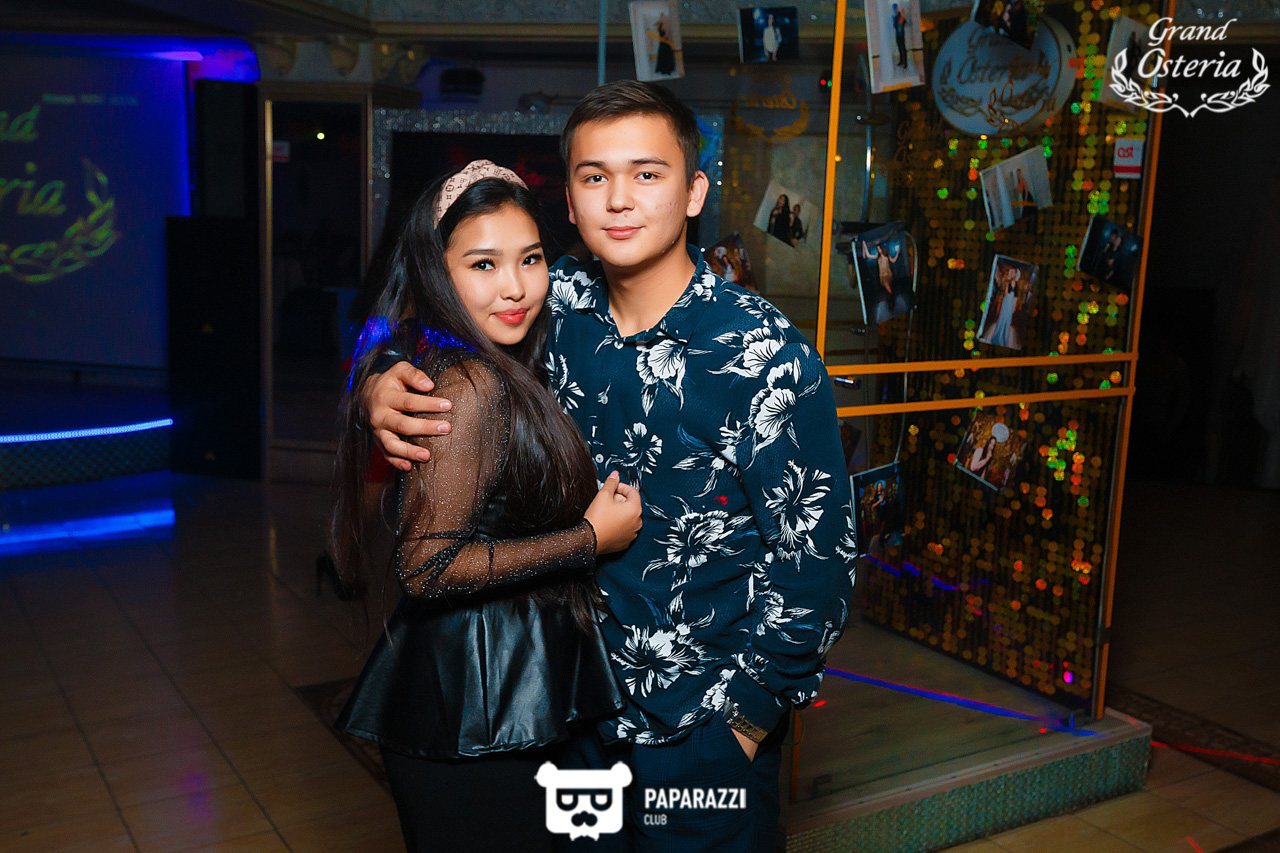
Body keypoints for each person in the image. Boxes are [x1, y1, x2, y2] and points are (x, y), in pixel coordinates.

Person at [361, 81, 857, 852]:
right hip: (569, 718)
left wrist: (744, 722)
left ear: (694, 193)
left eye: (647, 173)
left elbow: (819, 564)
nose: (619, 199)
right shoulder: (550, 300)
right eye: (595, 176)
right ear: (570, 198)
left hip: (698, 730)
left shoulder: (764, 357)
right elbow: (426, 307)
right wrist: (378, 381)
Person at [329, 160, 643, 852]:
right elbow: (426, 566)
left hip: (490, 690)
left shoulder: (497, 352)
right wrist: (590, 538)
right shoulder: (472, 383)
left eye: (530, 258)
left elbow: (388, 335)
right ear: (437, 273)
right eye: (483, 264)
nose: (515, 287)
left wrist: (373, 375)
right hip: (474, 708)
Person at [983, 270, 1020, 349]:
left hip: (1012, 302)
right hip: (1007, 301)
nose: (1013, 274)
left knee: (1008, 319)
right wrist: (1007, 285)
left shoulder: (1017, 284)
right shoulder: (1007, 282)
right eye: (1012, 272)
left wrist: (1014, 306)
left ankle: (1004, 337)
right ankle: (998, 336)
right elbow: (1005, 293)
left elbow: (1016, 297)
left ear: (1016, 274)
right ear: (1010, 274)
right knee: (1002, 317)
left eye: (1014, 273)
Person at [891, 3, 909, 69]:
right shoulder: (895, 17)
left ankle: (905, 63)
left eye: (895, 8)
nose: (895, 10)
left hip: (901, 34)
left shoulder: (900, 15)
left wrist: (901, 22)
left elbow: (904, 22)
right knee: (899, 48)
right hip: (898, 35)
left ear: (897, 8)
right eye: (894, 9)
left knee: (903, 48)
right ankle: (902, 61)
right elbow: (895, 26)